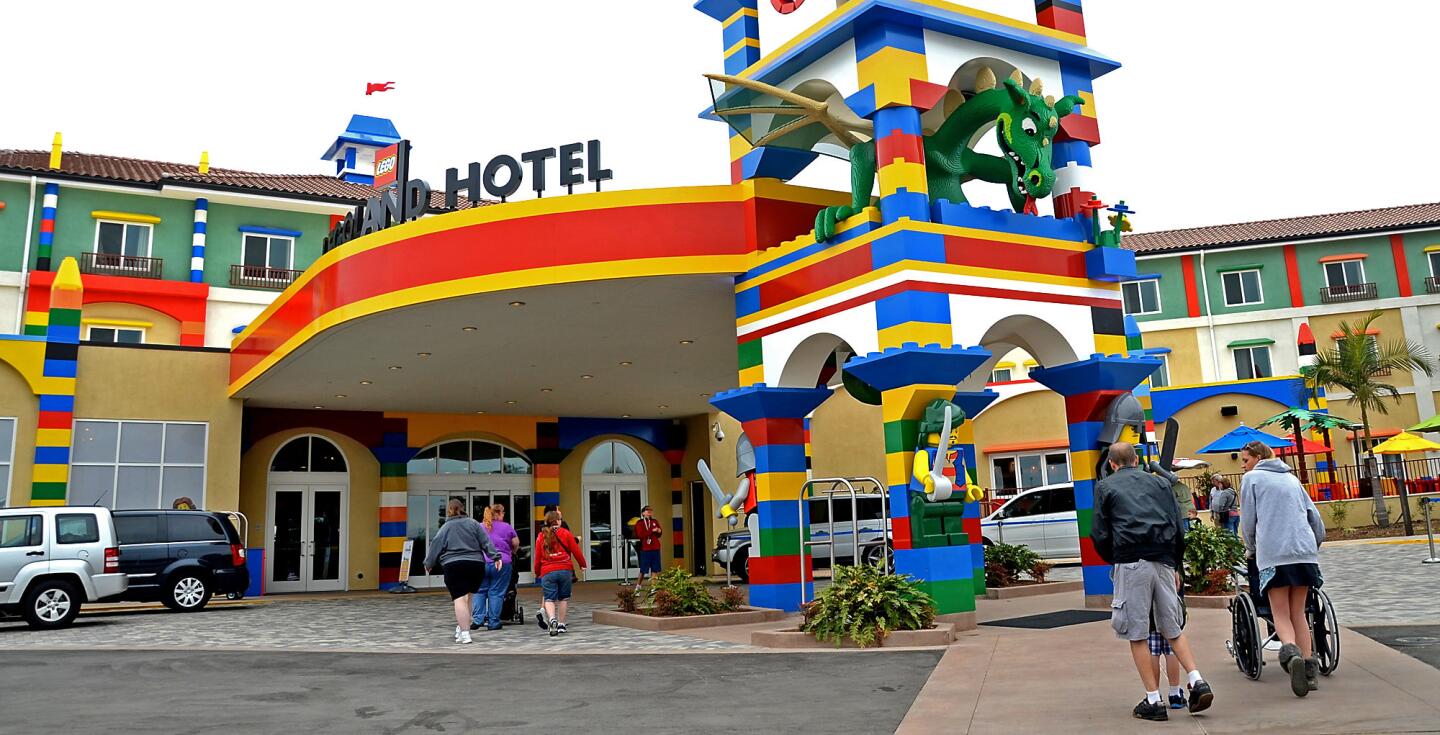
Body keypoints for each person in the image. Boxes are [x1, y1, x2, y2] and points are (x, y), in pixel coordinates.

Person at [1094, 442, 1214, 722]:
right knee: (1172, 628)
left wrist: (1116, 557)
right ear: (1136, 460)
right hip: (1163, 559)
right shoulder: (1160, 485)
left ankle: (1153, 700)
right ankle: (1197, 680)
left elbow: (1099, 533)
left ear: (1111, 464)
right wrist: (1174, 563)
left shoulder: (1106, 487)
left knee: (1137, 633)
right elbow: (1176, 524)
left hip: (1131, 560)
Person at [1239, 440, 1326, 698]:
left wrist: (1251, 548)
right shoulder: (1292, 479)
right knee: (1299, 613)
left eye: (1245, 460)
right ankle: (1309, 670)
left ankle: (1291, 654)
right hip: (1303, 551)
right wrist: (1313, 544)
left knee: (1280, 613)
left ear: (1257, 457)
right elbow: (1314, 517)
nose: (1243, 466)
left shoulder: (1253, 480)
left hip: (1274, 554)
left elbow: (1248, 520)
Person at [423, 498, 502, 644]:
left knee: (459, 599)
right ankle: (462, 627)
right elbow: (485, 541)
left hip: (454, 565)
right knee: (468, 598)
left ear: (449, 510)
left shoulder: (446, 527)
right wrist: (495, 557)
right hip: (475, 565)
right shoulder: (473, 524)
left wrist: (429, 563)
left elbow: (436, 545)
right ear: (463, 508)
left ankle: (465, 633)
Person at [533, 509, 587, 636]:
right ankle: (561, 624)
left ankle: (552, 619)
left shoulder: (541, 536)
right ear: (557, 521)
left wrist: (537, 572)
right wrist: (582, 565)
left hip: (547, 570)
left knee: (549, 599)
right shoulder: (566, 533)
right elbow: (576, 550)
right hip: (565, 569)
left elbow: (537, 557)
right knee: (563, 598)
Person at [471, 503, 520, 631]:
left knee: (479, 591)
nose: (504, 515)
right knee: (496, 592)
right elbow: (516, 543)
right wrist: (512, 552)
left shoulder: (479, 527)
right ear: (498, 513)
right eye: (503, 513)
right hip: (502, 563)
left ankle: (478, 619)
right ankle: (493, 622)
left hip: (481, 563)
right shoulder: (507, 527)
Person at [634, 506, 663, 585]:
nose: (649, 512)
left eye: (651, 510)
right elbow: (640, 535)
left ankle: (653, 587)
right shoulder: (639, 523)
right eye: (647, 510)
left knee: (655, 569)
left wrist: (659, 531)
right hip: (645, 549)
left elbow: (659, 535)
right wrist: (652, 530)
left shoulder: (654, 521)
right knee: (643, 570)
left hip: (655, 547)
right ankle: (638, 586)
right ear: (643, 513)